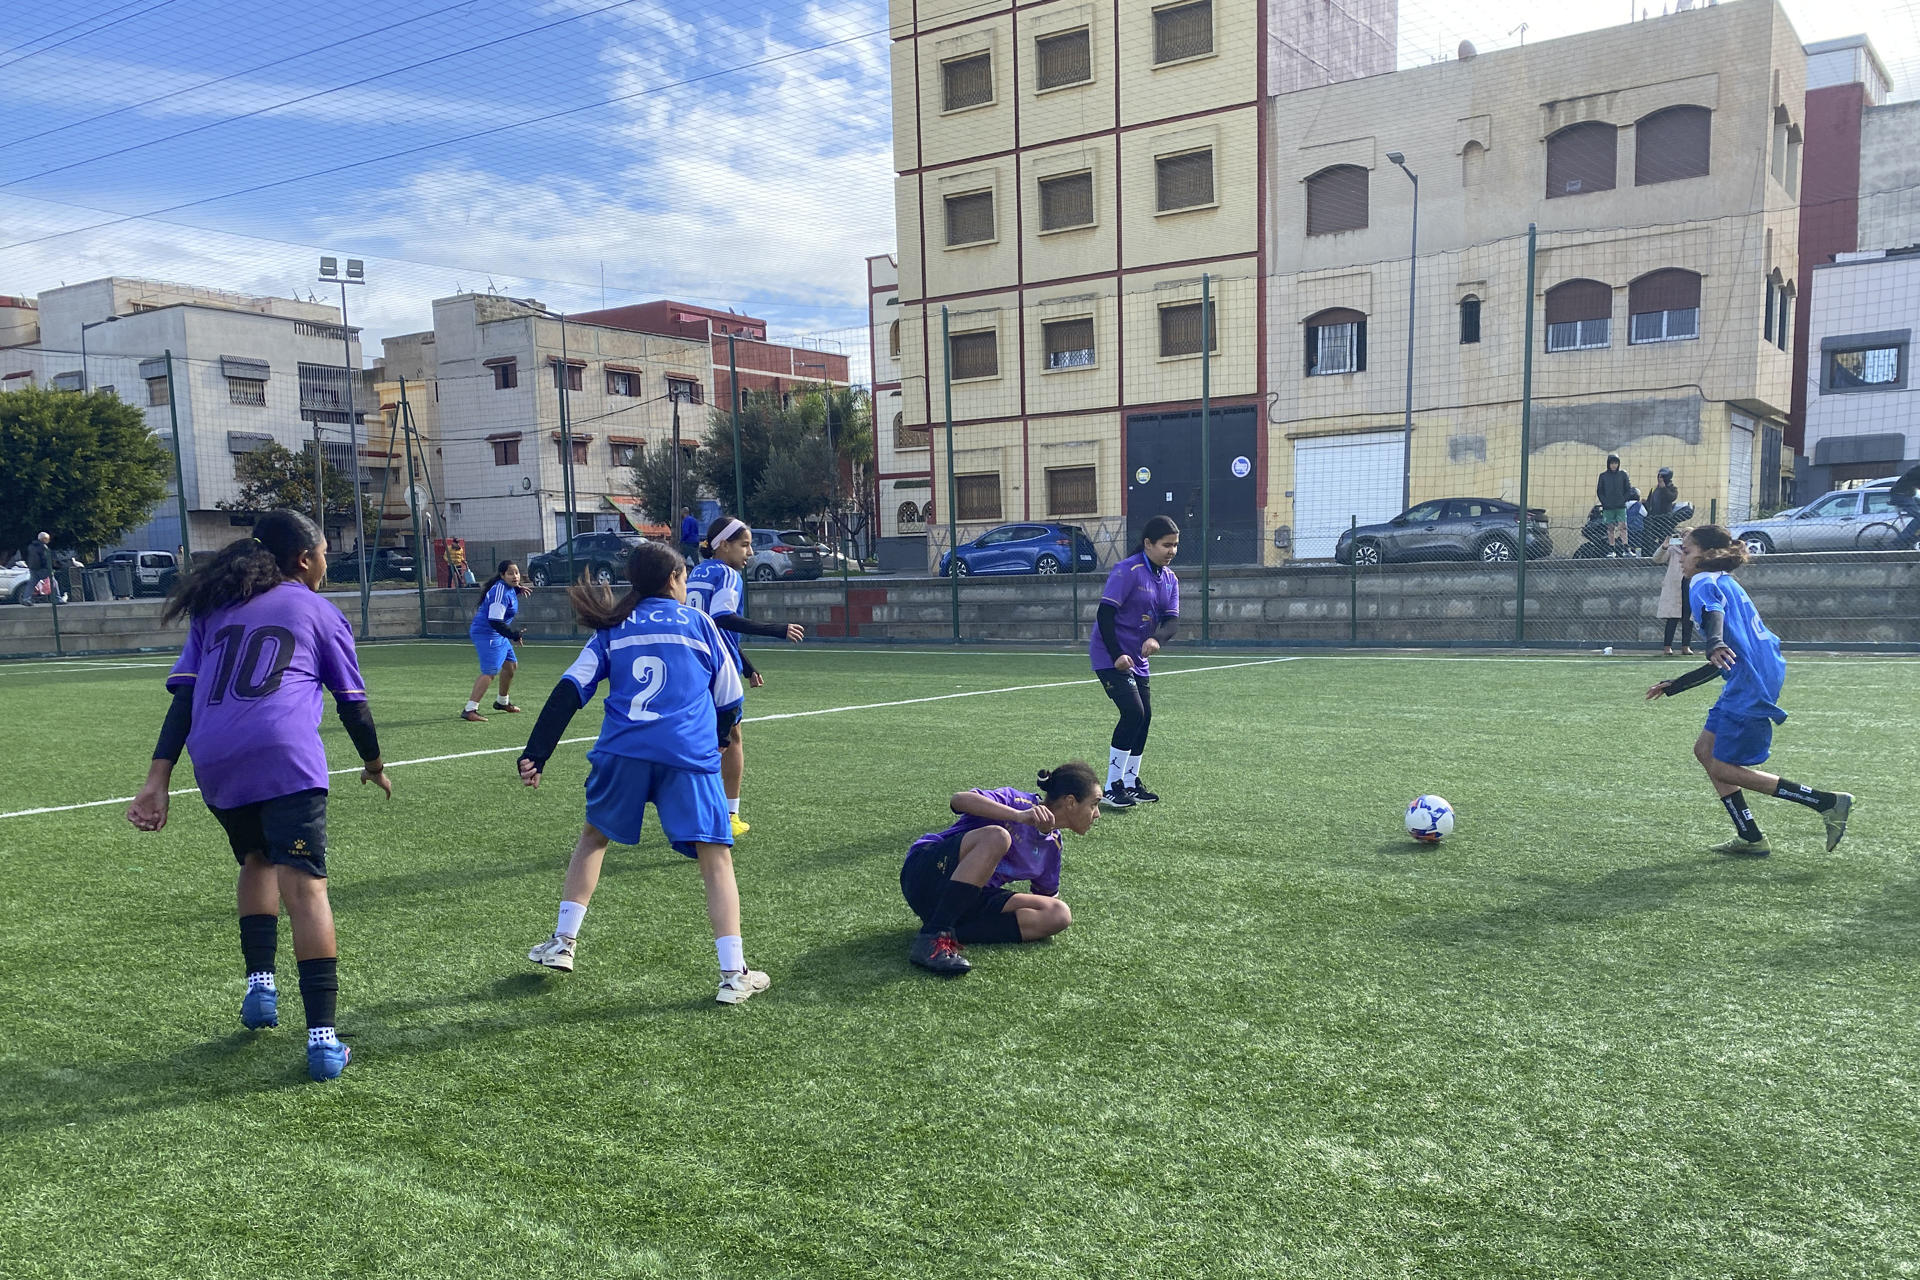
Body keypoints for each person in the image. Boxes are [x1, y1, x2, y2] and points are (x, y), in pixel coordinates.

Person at [124, 510, 391, 1081]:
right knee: (306, 887)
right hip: (282, 754)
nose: (326, 564)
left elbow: (183, 702)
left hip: (215, 760)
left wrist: (156, 781)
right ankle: (323, 1042)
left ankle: (260, 990)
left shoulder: (216, 608)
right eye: (324, 554)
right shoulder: (318, 610)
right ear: (305, 559)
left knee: (255, 859)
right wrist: (373, 765)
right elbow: (353, 704)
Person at [518, 542, 769, 1004]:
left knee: (593, 839)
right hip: (686, 756)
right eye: (685, 576)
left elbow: (570, 689)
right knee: (715, 858)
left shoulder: (614, 628)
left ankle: (563, 942)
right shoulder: (700, 624)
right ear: (673, 579)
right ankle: (733, 974)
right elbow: (730, 699)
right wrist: (718, 737)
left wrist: (537, 752)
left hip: (623, 753)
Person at [1645, 525, 1852, 857]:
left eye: (1686, 550)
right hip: (1755, 672)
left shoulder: (1702, 582)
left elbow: (1713, 615)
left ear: (1706, 555)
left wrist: (1714, 641)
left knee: (1722, 767)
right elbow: (1728, 656)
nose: (1680, 556)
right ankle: (1750, 836)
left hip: (1751, 681)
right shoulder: (1724, 580)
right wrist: (1679, 684)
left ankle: (1826, 802)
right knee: (1705, 751)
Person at [904, 763, 1099, 976]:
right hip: (925, 874)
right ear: (1070, 802)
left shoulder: (1053, 846)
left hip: (964, 901)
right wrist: (1018, 816)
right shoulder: (1017, 801)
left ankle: (948, 927)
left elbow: (1047, 900)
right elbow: (958, 800)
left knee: (1059, 914)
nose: (1097, 814)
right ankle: (934, 935)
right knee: (998, 837)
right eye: (1094, 804)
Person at [685, 516, 804, 838]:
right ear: (723, 545)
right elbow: (723, 618)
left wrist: (747, 666)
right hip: (717, 669)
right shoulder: (728, 574)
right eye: (744, 545)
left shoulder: (698, 572)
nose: (750, 552)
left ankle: (697, 810)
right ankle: (727, 815)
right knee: (729, 740)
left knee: (701, 737)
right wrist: (777, 630)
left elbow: (710, 624)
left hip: (692, 663)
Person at [1090, 515, 1180, 809]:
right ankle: (1111, 786)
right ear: (1148, 544)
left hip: (1137, 659)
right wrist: (1117, 654)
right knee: (1132, 712)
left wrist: (1156, 639)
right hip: (1110, 654)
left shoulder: (1170, 579)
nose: (1172, 551)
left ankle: (1130, 782)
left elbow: (1172, 621)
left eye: (1175, 545)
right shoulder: (1127, 571)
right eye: (1166, 545)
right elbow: (1105, 614)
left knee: (1145, 716)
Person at [462, 560, 531, 721]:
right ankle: (469, 710)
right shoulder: (500, 593)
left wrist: (518, 589)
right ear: (502, 575)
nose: (515, 576)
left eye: (516, 573)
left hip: (497, 633)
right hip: (487, 634)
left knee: (510, 666)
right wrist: (513, 635)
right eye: (510, 573)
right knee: (490, 672)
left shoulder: (508, 588)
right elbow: (495, 621)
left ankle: (502, 702)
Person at [1652, 526, 1694, 656]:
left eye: (1690, 535)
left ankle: (1686, 646)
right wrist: (1664, 547)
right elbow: (1657, 559)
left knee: (1688, 617)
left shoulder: (1696, 550)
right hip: (1674, 586)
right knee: (1672, 618)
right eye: (1685, 535)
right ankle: (1667, 646)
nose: (1687, 538)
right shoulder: (1673, 549)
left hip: (1690, 583)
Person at [1597, 455, 1633, 557]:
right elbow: (1600, 491)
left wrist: (1623, 500)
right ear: (1608, 464)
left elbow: (1628, 489)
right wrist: (1605, 502)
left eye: (1616, 463)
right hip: (1608, 508)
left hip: (1620, 506)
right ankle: (1611, 550)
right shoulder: (1603, 476)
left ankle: (1626, 549)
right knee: (1610, 528)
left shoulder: (1623, 474)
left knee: (1623, 527)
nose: (1614, 465)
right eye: (1612, 463)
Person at [1890, 463, 1920, 548]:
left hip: (1906, 495)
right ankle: (1901, 540)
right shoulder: (1916, 471)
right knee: (1919, 516)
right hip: (1900, 495)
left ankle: (1913, 537)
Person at [26, 531, 55, 604]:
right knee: (53, 582)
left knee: (31, 584)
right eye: (48, 539)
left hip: (33, 568)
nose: (49, 540)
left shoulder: (31, 546)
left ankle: (26, 598)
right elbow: (45, 559)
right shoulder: (43, 547)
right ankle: (57, 598)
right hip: (42, 568)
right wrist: (49, 568)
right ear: (44, 539)